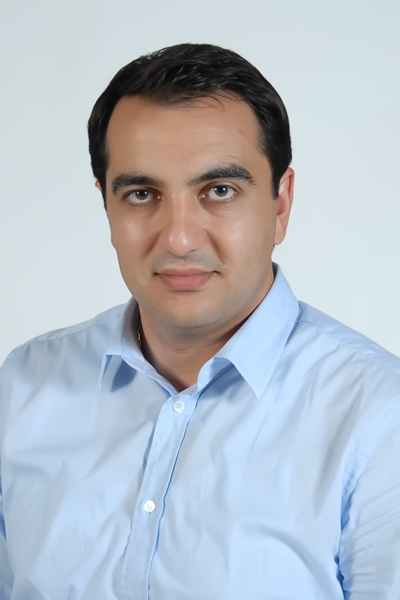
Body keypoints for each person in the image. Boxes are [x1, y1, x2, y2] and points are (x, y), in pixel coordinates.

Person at [1, 43, 399, 600]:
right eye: (142, 194)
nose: (180, 238)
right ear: (107, 208)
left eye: (219, 191)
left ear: (281, 205)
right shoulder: (23, 386)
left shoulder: (381, 418)